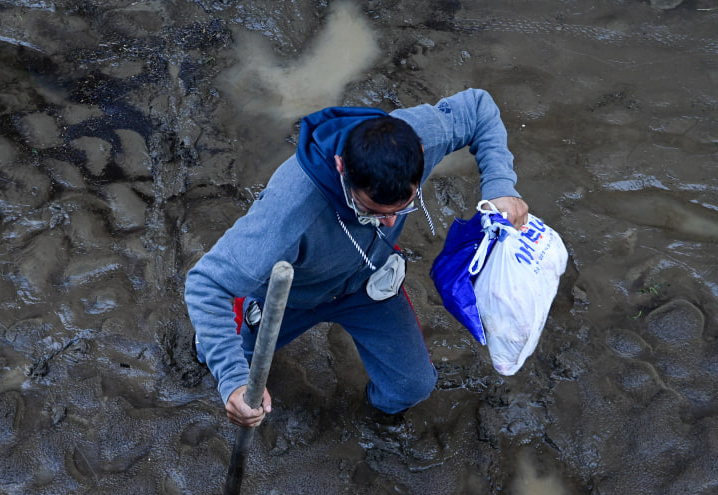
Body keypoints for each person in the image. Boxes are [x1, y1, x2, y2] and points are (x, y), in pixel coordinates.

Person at [184, 88, 529, 428]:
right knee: (213, 355)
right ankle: (229, 339)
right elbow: (207, 284)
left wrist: (501, 187)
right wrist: (233, 381)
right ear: (340, 167)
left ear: (421, 152)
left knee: (411, 387)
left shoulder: (413, 138)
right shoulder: (289, 210)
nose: (392, 222)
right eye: (372, 211)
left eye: (403, 207)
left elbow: (478, 107)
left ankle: (376, 419)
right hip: (290, 298)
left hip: (368, 283)